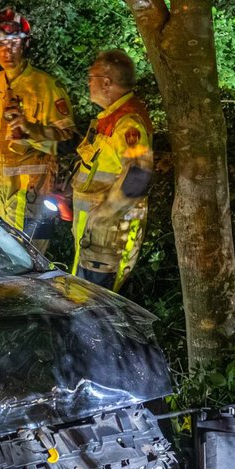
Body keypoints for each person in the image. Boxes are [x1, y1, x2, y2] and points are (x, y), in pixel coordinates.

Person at [0, 8, 75, 237]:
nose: (7, 52)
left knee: (33, 265)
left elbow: (69, 139)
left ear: (25, 45)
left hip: (34, 200)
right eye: (1, 45)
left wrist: (31, 131)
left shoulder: (46, 87)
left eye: (14, 44)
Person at [71, 49, 154, 290]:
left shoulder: (128, 123)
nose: (88, 83)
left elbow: (139, 174)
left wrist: (102, 214)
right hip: (96, 239)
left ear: (106, 83)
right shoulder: (111, 120)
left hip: (107, 240)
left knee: (95, 310)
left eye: (91, 77)